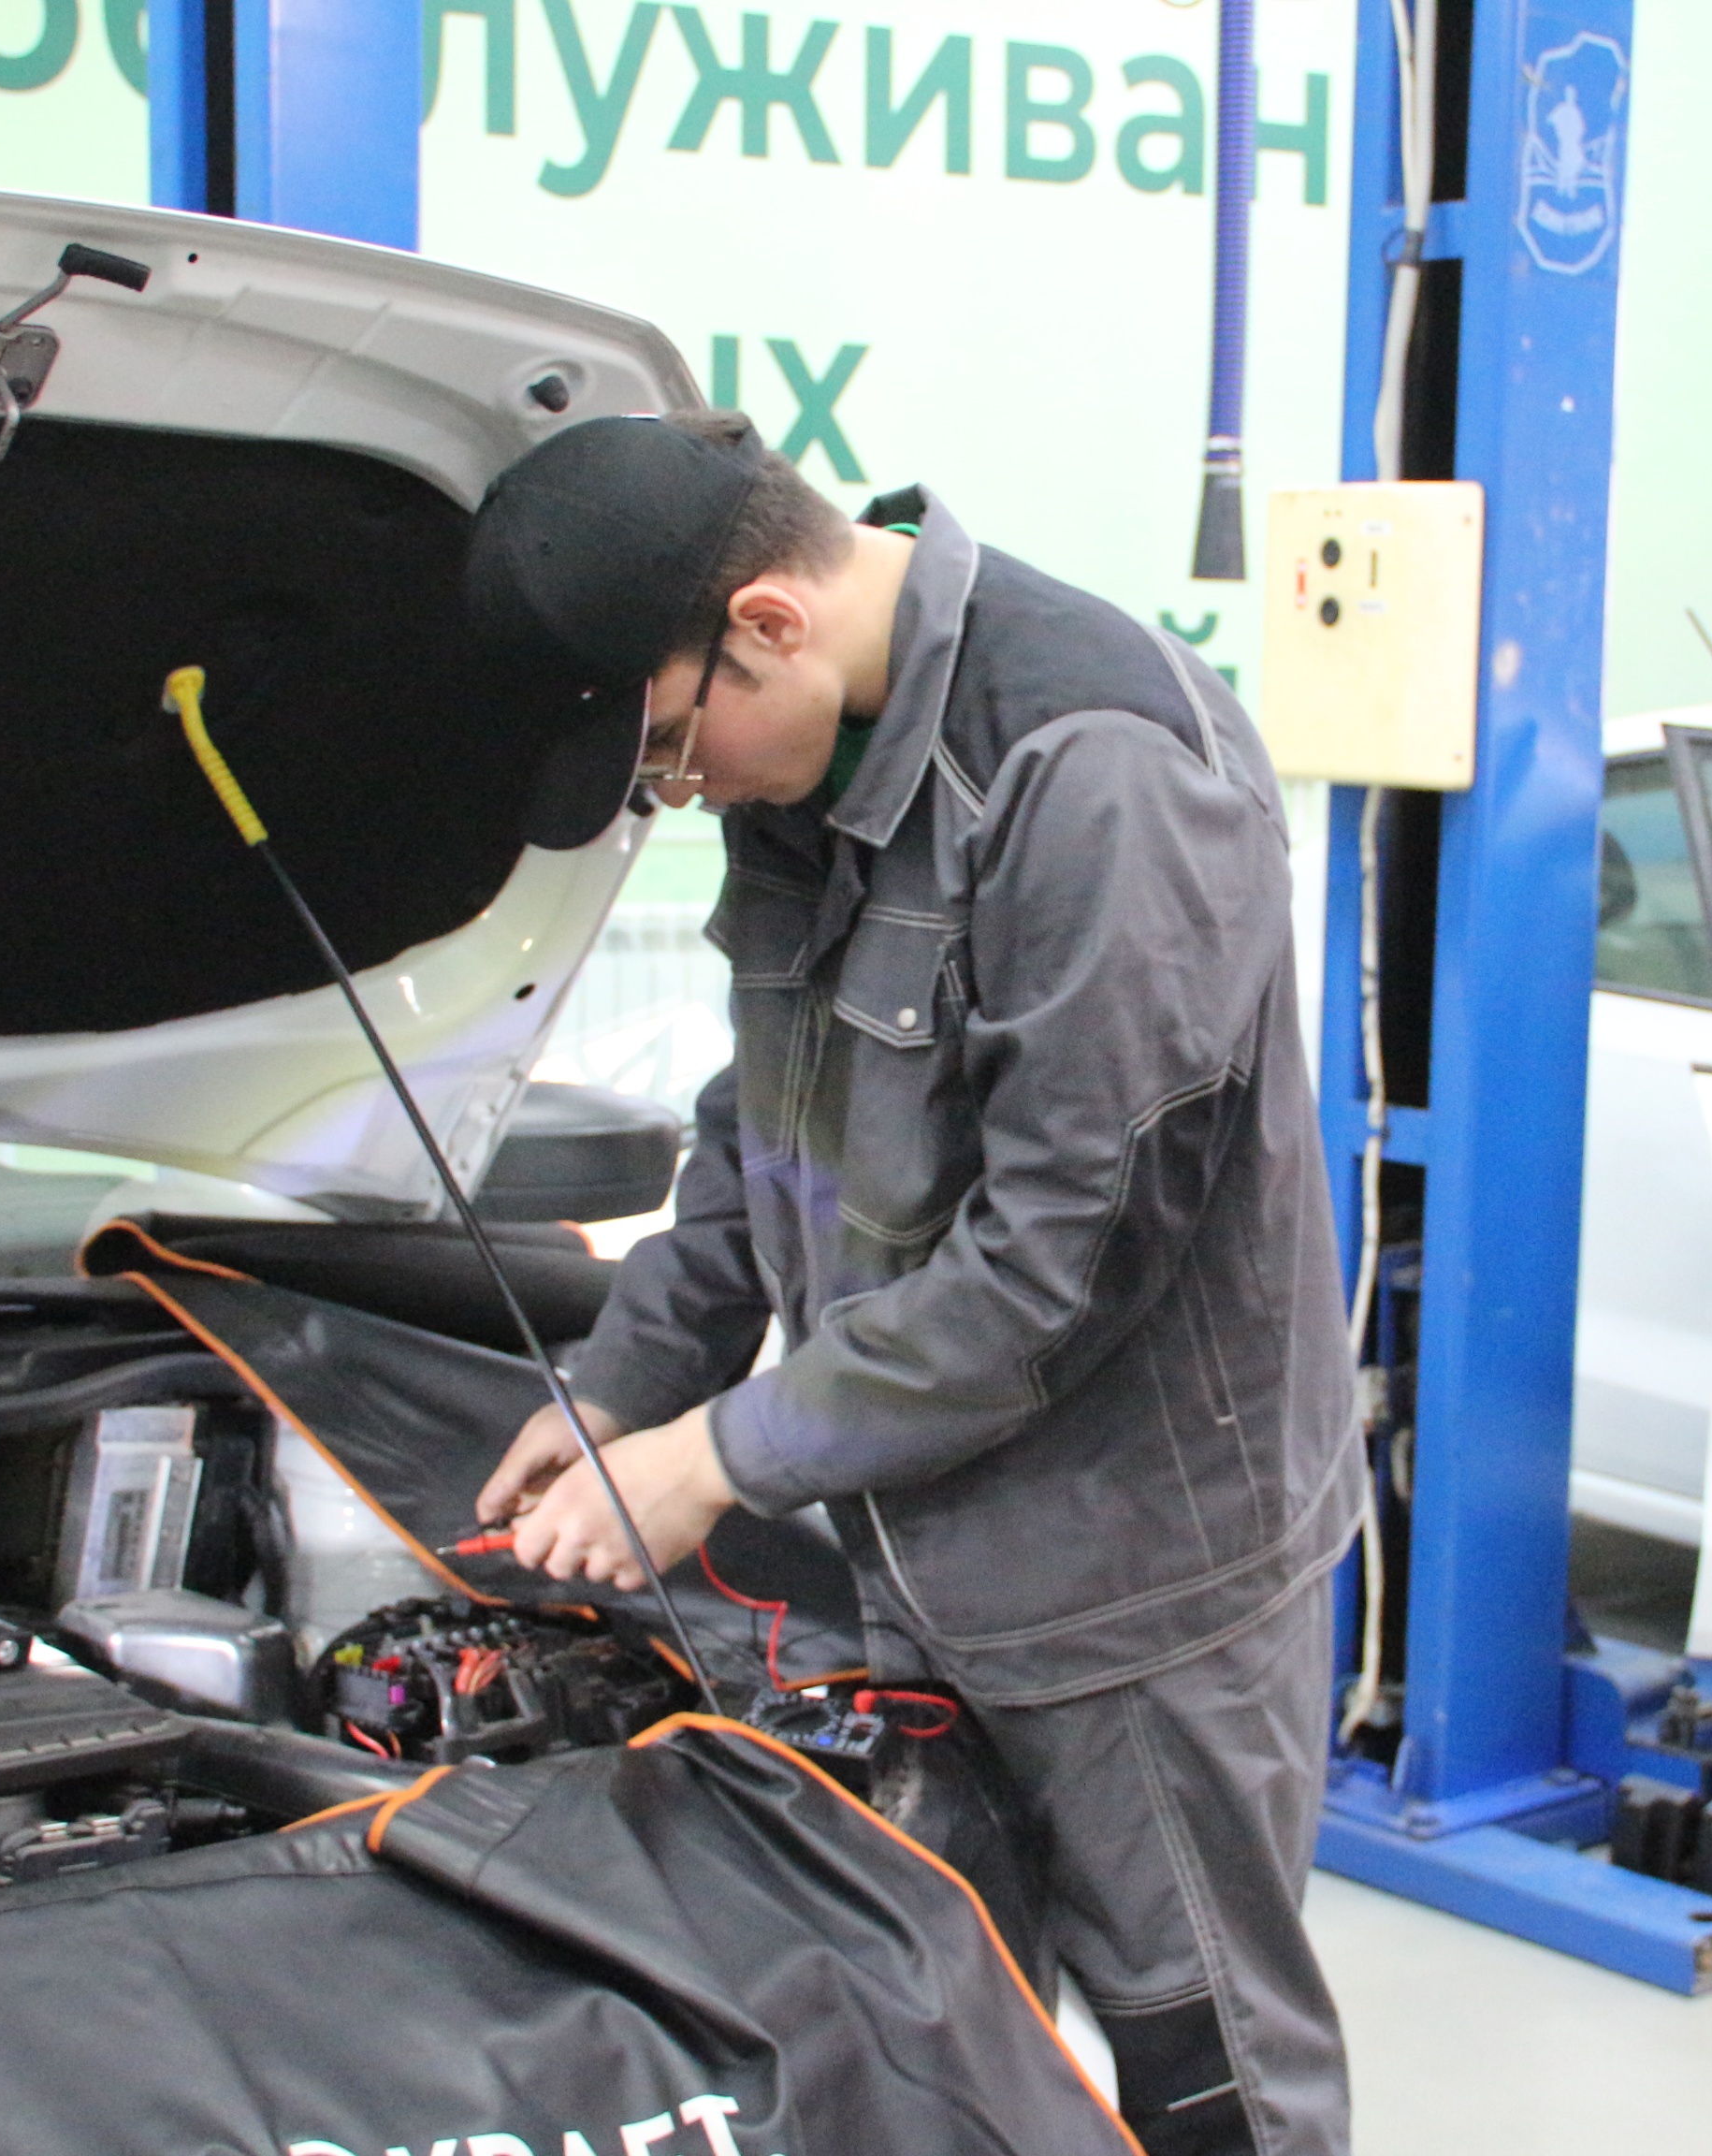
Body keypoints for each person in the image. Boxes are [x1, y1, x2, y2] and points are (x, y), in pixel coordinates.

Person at [457, 410, 1363, 2156]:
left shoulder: (1094, 769)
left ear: (770, 624)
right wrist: (629, 1382)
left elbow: (1061, 1263)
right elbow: (766, 1124)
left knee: (1208, 2079)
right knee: (952, 2046)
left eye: (671, 749)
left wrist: (718, 1456)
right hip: (913, 1545)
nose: (682, 791)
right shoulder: (810, 758)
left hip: (1131, 1592)